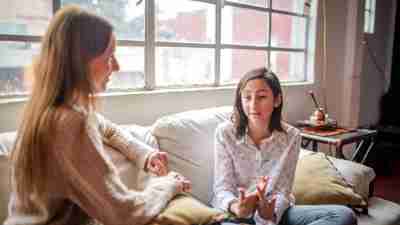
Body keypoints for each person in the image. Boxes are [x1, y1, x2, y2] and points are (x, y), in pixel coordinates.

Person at [5, 5, 190, 225]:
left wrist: (144, 154)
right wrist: (166, 185)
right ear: (80, 60)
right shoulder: (72, 123)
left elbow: (107, 128)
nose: (117, 66)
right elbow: (124, 214)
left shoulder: (46, 110)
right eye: (110, 55)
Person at [212, 67, 357, 225]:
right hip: (235, 217)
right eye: (247, 97)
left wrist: (270, 214)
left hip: (276, 214)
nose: (253, 104)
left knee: (344, 215)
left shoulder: (291, 136)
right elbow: (222, 188)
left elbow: (283, 189)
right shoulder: (225, 133)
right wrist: (236, 207)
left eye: (261, 97)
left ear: (277, 100)